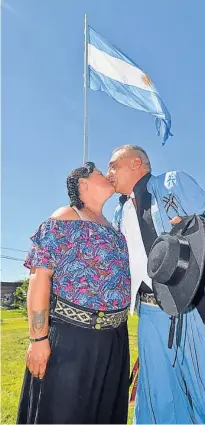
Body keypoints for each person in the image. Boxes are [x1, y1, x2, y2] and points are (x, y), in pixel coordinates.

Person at [106, 145, 205, 424]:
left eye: (113, 165)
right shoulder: (120, 213)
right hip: (149, 315)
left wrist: (195, 226)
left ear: (136, 163)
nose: (108, 172)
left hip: (193, 307)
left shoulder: (173, 183)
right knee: (159, 393)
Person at [17, 162, 131, 424]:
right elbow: (39, 277)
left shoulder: (114, 230)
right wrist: (38, 339)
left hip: (114, 339)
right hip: (72, 338)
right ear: (83, 184)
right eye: (101, 173)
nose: (108, 176)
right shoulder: (65, 217)